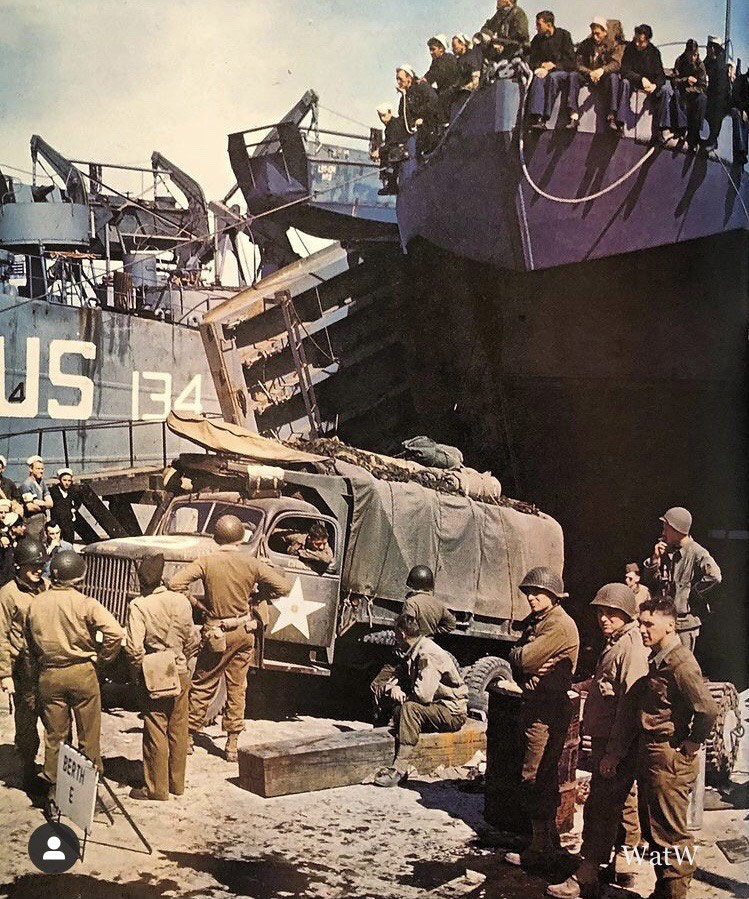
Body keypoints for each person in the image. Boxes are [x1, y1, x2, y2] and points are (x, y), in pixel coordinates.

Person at [547, 584, 649, 898]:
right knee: (623, 801)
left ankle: (586, 875)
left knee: (600, 808)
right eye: (601, 612)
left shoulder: (630, 648)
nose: (604, 618)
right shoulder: (616, 641)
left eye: (611, 613)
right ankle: (625, 865)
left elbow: (629, 707)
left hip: (615, 742)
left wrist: (613, 754)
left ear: (627, 614)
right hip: (610, 741)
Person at [169, 514, 291, 761]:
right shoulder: (252, 563)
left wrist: (196, 603)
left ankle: (189, 735)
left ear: (216, 538)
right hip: (244, 632)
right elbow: (284, 587)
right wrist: (258, 597)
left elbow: (175, 583)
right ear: (241, 538)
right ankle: (232, 744)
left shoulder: (206, 561)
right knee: (237, 687)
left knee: (204, 683)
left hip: (216, 633)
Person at [25, 551, 124, 803]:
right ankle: (87, 796)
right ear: (79, 577)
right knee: (88, 736)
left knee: (54, 736)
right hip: (82, 673)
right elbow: (114, 632)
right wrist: (102, 659)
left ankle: (53, 789)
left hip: (49, 674)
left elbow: (29, 642)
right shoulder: (86, 603)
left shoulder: (36, 603)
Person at [637, 597, 719, 899]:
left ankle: (675, 894)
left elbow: (707, 709)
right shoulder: (659, 658)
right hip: (654, 755)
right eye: (640, 623)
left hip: (669, 757)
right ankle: (663, 891)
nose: (642, 629)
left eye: (649, 624)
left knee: (671, 836)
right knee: (655, 830)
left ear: (670, 626)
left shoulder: (680, 663)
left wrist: (693, 742)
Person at [504, 567, 579, 869]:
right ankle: (545, 841)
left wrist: (523, 656)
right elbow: (519, 656)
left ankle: (540, 848)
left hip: (547, 711)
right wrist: (522, 656)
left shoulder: (559, 625)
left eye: (538, 593)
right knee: (540, 776)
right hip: (536, 706)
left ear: (553, 595)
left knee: (535, 777)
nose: (531, 598)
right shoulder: (540, 621)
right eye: (529, 593)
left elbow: (523, 659)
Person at [126, 554, 199, 801]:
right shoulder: (181, 601)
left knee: (155, 727)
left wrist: (138, 671)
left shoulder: (139, 606)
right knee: (179, 728)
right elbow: (192, 639)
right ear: (162, 578)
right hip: (180, 670)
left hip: (155, 673)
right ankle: (176, 784)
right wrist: (181, 658)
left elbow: (134, 648)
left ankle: (156, 788)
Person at [370, 612, 468, 787]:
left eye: (396, 635)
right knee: (394, 703)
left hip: (451, 712)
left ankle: (399, 770)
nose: (395, 639)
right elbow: (400, 677)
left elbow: (423, 695)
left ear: (402, 634)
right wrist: (394, 688)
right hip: (435, 707)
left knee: (409, 709)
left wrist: (403, 695)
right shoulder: (414, 650)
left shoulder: (427, 654)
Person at [370, 565, 457, 724]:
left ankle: (380, 724)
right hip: (427, 648)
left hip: (408, 649)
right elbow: (451, 624)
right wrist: (433, 631)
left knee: (378, 684)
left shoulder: (411, 602)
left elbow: (405, 625)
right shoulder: (438, 604)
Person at [0, 538, 48, 793]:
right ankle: (29, 775)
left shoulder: (48, 588)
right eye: (32, 565)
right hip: (23, 667)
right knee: (27, 723)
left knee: (55, 722)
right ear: (19, 565)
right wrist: (5, 674)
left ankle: (55, 776)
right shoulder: (8, 594)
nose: (38, 570)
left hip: (47, 665)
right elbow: (1, 636)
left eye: (41, 565)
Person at [642, 506, 721, 651]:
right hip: (666, 620)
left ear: (676, 529)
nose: (663, 533)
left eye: (666, 529)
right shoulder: (667, 550)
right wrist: (655, 559)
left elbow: (715, 576)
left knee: (681, 661)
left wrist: (693, 593)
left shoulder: (697, 552)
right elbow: (650, 582)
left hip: (684, 625)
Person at [568, 17, 627, 132]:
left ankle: (612, 116)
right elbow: (577, 63)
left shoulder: (613, 45)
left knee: (614, 77)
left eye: (598, 33)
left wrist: (602, 70)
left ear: (605, 32)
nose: (595, 37)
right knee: (573, 76)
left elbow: (616, 63)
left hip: (604, 77)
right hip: (589, 76)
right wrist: (590, 72)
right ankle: (573, 114)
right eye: (593, 33)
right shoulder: (586, 44)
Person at [620, 24, 673, 143]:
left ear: (648, 41)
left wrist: (655, 85)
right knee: (624, 83)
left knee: (664, 90)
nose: (637, 44)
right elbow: (624, 71)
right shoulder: (630, 48)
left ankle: (662, 129)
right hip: (634, 82)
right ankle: (620, 122)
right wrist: (640, 79)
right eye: (636, 40)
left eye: (641, 42)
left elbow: (661, 76)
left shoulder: (654, 52)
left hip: (650, 86)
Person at [526, 11, 576, 131]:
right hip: (544, 71)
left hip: (561, 71)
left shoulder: (564, 36)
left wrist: (554, 66)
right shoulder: (537, 40)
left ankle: (546, 116)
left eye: (539, 25)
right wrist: (540, 66)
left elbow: (571, 62)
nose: (537, 28)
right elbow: (532, 60)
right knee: (538, 78)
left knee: (553, 78)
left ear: (548, 25)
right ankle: (536, 116)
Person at [671, 40, 708, 151]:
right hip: (681, 91)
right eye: (690, 54)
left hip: (694, 93)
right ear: (686, 52)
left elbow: (703, 86)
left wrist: (691, 89)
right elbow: (674, 80)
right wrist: (686, 80)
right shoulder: (680, 61)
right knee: (676, 94)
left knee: (702, 99)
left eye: (695, 55)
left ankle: (695, 134)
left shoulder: (700, 65)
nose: (692, 58)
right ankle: (682, 129)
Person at [396, 64, 439, 155]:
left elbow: (434, 101)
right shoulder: (404, 97)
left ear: (409, 78)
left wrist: (423, 118)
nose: (398, 82)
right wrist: (404, 96)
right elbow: (403, 116)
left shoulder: (421, 87)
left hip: (430, 126)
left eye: (400, 79)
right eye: (397, 79)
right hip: (417, 133)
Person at [372, 103, 408, 196]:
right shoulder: (391, 126)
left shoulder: (394, 125)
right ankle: (391, 183)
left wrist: (379, 151)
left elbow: (392, 143)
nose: (382, 119)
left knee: (388, 154)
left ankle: (391, 184)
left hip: (401, 152)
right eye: (380, 116)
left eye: (384, 115)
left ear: (390, 113)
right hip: (399, 151)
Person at [704, 36, 731, 151]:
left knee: (716, 110)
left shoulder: (720, 64)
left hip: (721, 98)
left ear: (713, 49)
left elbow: (721, 89)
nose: (707, 49)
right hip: (710, 94)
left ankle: (713, 140)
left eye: (709, 47)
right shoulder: (708, 61)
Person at [21, 455, 53, 540]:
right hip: (32, 521)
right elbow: (30, 507)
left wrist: (38, 502)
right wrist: (44, 505)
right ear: (31, 469)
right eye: (38, 469)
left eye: (42, 469)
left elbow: (51, 503)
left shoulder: (42, 482)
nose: (41, 471)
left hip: (43, 519)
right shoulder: (26, 485)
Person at [49, 468, 82, 544]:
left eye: (69, 480)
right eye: (64, 480)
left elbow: (78, 502)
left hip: (68, 522)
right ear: (60, 480)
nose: (67, 483)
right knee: (56, 543)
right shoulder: (53, 491)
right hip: (56, 522)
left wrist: (74, 509)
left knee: (69, 543)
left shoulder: (72, 490)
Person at [731, 62, 748, 165]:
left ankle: (743, 152)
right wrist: (743, 110)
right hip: (738, 109)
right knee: (737, 114)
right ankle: (741, 149)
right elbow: (736, 97)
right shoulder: (740, 80)